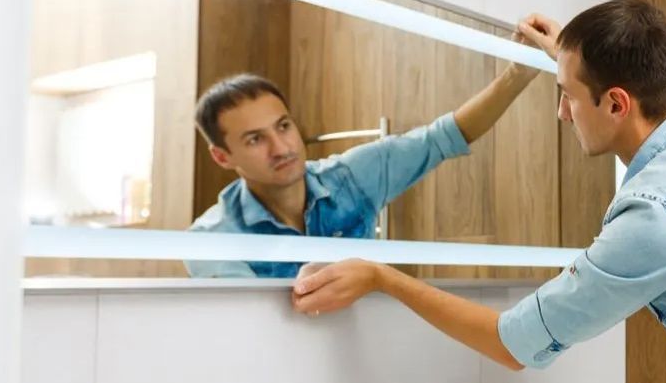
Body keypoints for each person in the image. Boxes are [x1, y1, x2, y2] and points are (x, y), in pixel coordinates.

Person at [292, 0, 666, 383]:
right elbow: (648, 76)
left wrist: (380, 277)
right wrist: (570, 51)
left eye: (568, 94)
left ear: (617, 103)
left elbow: (511, 344)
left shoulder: (655, 220)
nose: (562, 113)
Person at [186, 46, 539, 277]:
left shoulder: (350, 179)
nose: (281, 147)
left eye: (283, 126)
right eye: (255, 139)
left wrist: (518, 73)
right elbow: (255, 332)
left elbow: (443, 137)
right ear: (222, 156)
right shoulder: (212, 240)